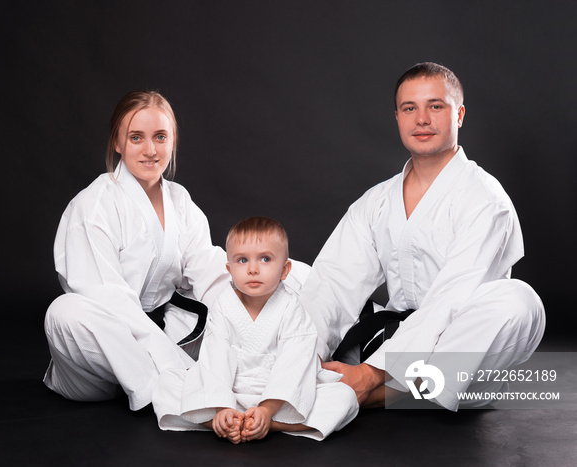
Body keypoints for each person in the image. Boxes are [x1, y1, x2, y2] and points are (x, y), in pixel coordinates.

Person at [300, 62, 545, 411]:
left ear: (458, 115)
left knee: (519, 301)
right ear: (397, 118)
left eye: (436, 106)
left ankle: (370, 395)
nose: (422, 119)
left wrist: (370, 374)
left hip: (459, 352)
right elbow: (333, 283)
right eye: (409, 108)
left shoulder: (485, 198)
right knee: (295, 277)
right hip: (395, 338)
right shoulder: (376, 202)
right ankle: (309, 381)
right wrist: (298, 362)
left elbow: (451, 298)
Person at [42, 91, 231, 410]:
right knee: (65, 312)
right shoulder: (94, 205)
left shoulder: (179, 200)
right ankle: (173, 391)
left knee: (265, 277)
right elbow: (109, 301)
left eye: (160, 136)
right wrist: (176, 368)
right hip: (103, 359)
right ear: (117, 143)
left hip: (172, 336)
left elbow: (208, 271)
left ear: (173, 141)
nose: (150, 150)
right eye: (136, 138)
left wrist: (247, 313)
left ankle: (231, 373)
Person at [152, 217, 358, 442]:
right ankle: (223, 422)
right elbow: (215, 358)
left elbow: (294, 363)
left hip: (281, 401)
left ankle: (268, 425)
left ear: (284, 269)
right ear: (229, 269)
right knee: (167, 381)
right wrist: (222, 408)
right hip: (229, 392)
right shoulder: (224, 305)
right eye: (242, 260)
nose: (252, 269)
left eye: (265, 259)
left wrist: (268, 410)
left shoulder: (292, 309)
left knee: (344, 396)